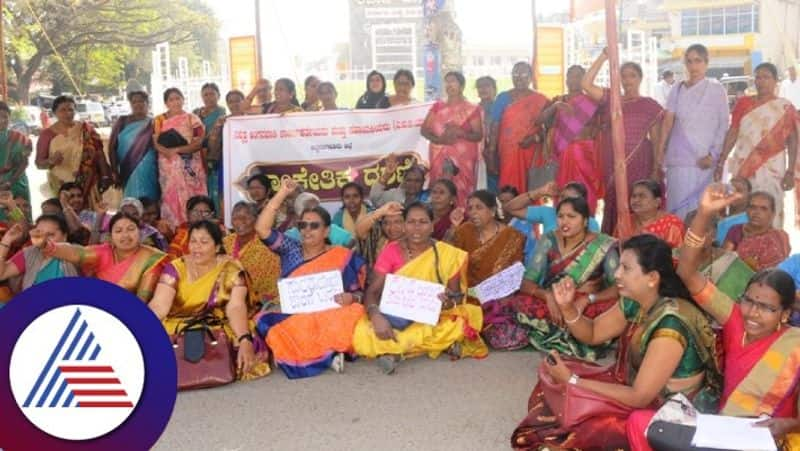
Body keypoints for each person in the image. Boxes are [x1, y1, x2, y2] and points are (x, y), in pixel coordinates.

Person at [627, 185, 800, 450]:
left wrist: (788, 424)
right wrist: (704, 214)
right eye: (749, 301)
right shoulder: (734, 320)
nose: (753, 313)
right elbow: (686, 272)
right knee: (640, 421)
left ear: (785, 313)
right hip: (720, 429)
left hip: (768, 439)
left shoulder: (795, 344)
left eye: (766, 308)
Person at [511, 235, 721, 450]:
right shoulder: (636, 301)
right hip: (632, 386)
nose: (617, 274)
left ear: (652, 278)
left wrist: (573, 381)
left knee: (587, 428)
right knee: (552, 380)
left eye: (626, 268)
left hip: (668, 412)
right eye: (619, 266)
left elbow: (640, 397)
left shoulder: (671, 325)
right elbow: (593, 333)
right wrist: (567, 308)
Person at [352, 202, 488, 374]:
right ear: (404, 225)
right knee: (365, 329)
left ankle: (395, 352)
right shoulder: (391, 251)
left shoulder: (448, 254)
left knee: (460, 321)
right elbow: (372, 292)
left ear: (432, 226)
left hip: (434, 314)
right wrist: (376, 316)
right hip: (396, 314)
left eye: (423, 222)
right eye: (411, 222)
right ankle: (434, 345)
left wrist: (447, 302)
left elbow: (457, 298)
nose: (416, 228)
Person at [254, 179, 366, 378]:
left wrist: (351, 298)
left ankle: (319, 353)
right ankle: (329, 354)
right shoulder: (290, 249)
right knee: (267, 321)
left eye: (314, 226)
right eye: (303, 225)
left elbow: (358, 291)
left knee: (354, 312)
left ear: (326, 231)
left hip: (329, 311)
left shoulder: (341, 255)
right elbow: (262, 229)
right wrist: (282, 193)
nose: (307, 230)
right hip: (297, 313)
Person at [149, 220, 270, 382]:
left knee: (245, 337)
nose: (197, 247)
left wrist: (244, 339)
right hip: (177, 326)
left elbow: (235, 307)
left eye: (204, 242)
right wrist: (139, 330)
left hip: (216, 324)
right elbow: (159, 306)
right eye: (193, 241)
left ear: (218, 247)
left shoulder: (232, 269)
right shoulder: (176, 268)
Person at [513, 197, 620, 358]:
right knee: (519, 301)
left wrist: (588, 299)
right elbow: (527, 283)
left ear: (585, 221)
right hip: (555, 301)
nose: (564, 222)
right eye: (561, 216)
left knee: (615, 308)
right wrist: (548, 296)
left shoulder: (603, 244)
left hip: (585, 305)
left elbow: (619, 288)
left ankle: (575, 333)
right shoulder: (549, 239)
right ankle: (571, 335)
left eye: (571, 217)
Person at [582, 50, 665, 234]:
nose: (628, 80)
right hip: (614, 163)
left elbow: (657, 141)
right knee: (616, 202)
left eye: (632, 76)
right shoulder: (613, 99)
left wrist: (655, 169)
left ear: (640, 78)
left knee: (639, 202)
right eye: (623, 76)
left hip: (641, 162)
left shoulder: (650, 105)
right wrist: (604, 56)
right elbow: (586, 84)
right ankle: (615, 247)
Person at [717, 63, 798, 227]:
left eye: (766, 77)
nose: (761, 81)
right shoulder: (743, 103)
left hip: (773, 168)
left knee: (771, 205)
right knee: (741, 206)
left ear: (776, 81)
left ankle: (771, 248)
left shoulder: (785, 107)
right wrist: (722, 160)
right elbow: (733, 132)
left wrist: (790, 172)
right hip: (743, 164)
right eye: (758, 77)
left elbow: (792, 140)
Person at [662, 44, 730, 219]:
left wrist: (713, 155)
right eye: (689, 61)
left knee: (700, 215)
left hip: (705, 162)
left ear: (706, 63)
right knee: (677, 212)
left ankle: (699, 247)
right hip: (678, 161)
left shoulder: (716, 90)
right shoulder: (676, 90)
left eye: (698, 61)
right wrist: (659, 155)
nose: (693, 66)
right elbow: (667, 124)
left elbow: (723, 125)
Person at [34, 211, 166, 302]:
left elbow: (142, 300)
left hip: (133, 316)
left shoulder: (151, 258)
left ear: (140, 232)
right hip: (97, 311)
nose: (125, 236)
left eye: (131, 229)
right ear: (111, 237)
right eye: (118, 231)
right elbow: (76, 252)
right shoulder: (104, 252)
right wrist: (46, 246)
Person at [452, 191, 525, 350]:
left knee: (508, 334)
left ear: (492, 211)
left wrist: (499, 296)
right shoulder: (463, 231)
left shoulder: (513, 237)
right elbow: (450, 261)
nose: (473, 212)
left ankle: (482, 326)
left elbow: (514, 273)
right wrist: (453, 227)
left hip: (498, 298)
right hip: (468, 296)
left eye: (479, 208)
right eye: (470, 208)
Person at [540, 65, 603, 214]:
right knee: (563, 188)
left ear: (584, 79)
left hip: (585, 154)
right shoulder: (558, 100)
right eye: (571, 76)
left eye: (578, 76)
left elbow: (600, 126)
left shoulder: (593, 101)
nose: (574, 79)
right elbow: (540, 120)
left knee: (586, 189)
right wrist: (555, 107)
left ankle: (588, 223)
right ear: (566, 79)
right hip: (563, 154)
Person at [36, 95, 112, 206]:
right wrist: (51, 161)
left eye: (71, 109)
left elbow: (99, 152)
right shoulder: (47, 135)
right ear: (54, 112)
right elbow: (39, 164)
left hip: (88, 181)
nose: (68, 113)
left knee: (89, 216)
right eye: (63, 110)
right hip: (61, 184)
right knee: (65, 215)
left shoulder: (86, 129)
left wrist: (105, 175)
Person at [421, 71, 483, 207]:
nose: (449, 84)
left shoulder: (471, 109)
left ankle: (462, 223)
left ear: (461, 86)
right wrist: (439, 140)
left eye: (453, 81)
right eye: (447, 81)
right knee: (439, 189)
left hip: (463, 160)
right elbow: (424, 130)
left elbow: (478, 135)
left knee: (462, 192)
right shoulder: (438, 107)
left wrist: (461, 133)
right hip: (439, 155)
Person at [488, 62, 549, 194]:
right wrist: (491, 153)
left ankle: (532, 214)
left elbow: (550, 130)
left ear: (531, 77)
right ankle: (511, 212)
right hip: (508, 152)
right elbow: (494, 126)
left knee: (533, 189)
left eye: (523, 74)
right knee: (509, 189)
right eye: (515, 73)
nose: (519, 77)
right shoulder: (503, 98)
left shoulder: (541, 99)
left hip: (532, 152)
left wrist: (535, 138)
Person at [153, 88, 206, 225]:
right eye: (171, 99)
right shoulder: (159, 120)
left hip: (190, 165)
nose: (175, 102)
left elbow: (198, 143)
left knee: (193, 196)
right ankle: (174, 228)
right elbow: (156, 142)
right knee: (170, 196)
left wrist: (177, 150)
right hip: (168, 166)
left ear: (183, 99)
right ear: (166, 103)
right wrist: (168, 153)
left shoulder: (192, 118)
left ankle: (197, 225)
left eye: (178, 98)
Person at [680, 210, 754, 299]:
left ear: (714, 234)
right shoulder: (672, 257)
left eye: (705, 230)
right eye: (691, 230)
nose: (697, 235)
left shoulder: (732, 264)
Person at [223, 201, 280, 307]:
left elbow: (270, 285)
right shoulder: (225, 242)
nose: (240, 222)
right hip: (225, 298)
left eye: (245, 217)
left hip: (261, 303)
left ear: (256, 220)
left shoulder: (267, 247)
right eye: (235, 218)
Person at [0, 217, 78, 290]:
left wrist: (44, 245)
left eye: (50, 234)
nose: (43, 238)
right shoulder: (29, 253)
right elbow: (2, 274)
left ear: (64, 236)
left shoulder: (73, 251)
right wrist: (7, 239)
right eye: (39, 233)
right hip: (35, 303)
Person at [108, 91, 158, 201]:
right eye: (134, 102)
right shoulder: (122, 122)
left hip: (149, 169)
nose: (138, 104)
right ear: (130, 104)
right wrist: (114, 171)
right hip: (128, 169)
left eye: (141, 101)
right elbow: (112, 147)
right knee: (131, 201)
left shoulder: (154, 123)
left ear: (147, 103)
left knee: (150, 201)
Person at [722, 191, 790, 271]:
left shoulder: (779, 237)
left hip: (768, 281)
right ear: (746, 210)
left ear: (773, 214)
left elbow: (779, 270)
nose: (757, 212)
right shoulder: (736, 230)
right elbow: (724, 261)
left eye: (763, 208)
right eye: (752, 207)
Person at [206, 89, 249, 211]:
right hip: (227, 164)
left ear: (244, 101)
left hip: (248, 164)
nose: (234, 104)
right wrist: (218, 128)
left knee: (247, 194)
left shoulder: (252, 119)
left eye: (237, 101)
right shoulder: (223, 121)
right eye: (230, 102)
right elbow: (212, 146)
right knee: (225, 195)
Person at [193, 83, 228, 212]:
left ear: (218, 95)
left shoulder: (221, 113)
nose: (208, 97)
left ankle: (217, 216)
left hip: (214, 155)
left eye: (212, 94)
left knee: (214, 186)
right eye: (205, 94)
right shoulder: (196, 113)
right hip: (196, 156)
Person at [626, 179, 685, 248]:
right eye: (633, 196)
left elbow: (677, 255)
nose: (636, 200)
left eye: (642, 196)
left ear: (657, 202)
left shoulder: (671, 224)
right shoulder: (625, 221)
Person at [285, 191, 353, 247]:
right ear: (298, 216)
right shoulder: (289, 236)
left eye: (317, 208)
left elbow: (352, 242)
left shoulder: (333, 230)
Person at [354, 201, 405, 271]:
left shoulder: (414, 242)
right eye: (386, 223)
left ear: (406, 223)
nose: (392, 227)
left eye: (397, 222)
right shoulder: (378, 238)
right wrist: (380, 212)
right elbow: (359, 231)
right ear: (382, 225)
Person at [0, 102, 31, 206]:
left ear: (10, 118)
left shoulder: (20, 139)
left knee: (17, 218)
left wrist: (10, 182)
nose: (2, 120)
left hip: (16, 183)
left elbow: (24, 163)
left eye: (5, 116)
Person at [476, 76, 498, 192]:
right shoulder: (472, 110)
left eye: (486, 86)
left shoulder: (503, 108)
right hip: (478, 156)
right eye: (480, 86)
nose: (483, 89)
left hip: (498, 155)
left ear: (495, 89)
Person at [715, 176, 751, 244]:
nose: (733, 194)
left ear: (748, 194)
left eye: (739, 190)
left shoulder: (748, 220)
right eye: (730, 190)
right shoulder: (721, 214)